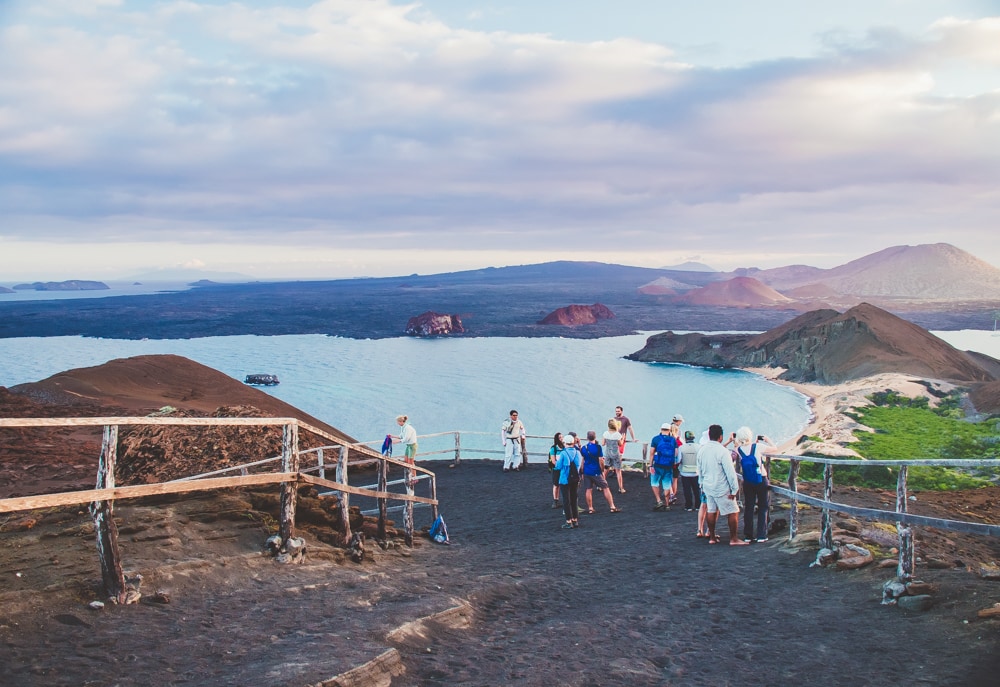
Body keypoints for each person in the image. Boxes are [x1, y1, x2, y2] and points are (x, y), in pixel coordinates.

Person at [697, 424, 748, 545]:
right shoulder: (723, 451)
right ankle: (734, 538)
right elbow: (730, 472)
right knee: (733, 511)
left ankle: (712, 537)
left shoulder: (702, 450)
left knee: (711, 510)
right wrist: (734, 489)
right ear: (720, 437)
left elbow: (699, 470)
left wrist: (701, 485)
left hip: (707, 486)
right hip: (721, 486)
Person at [734, 427, 776, 543]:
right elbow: (775, 449)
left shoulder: (739, 449)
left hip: (747, 481)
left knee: (749, 507)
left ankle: (748, 535)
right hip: (761, 479)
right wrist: (767, 440)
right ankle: (761, 535)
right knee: (763, 507)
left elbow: (737, 449)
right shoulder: (757, 447)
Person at [580, 430, 621, 514]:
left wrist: (582, 471)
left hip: (587, 471)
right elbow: (601, 460)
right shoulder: (598, 447)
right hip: (596, 472)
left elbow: (582, 460)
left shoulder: (583, 448)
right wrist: (602, 470)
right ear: (595, 437)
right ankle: (612, 506)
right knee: (605, 487)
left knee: (588, 489)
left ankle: (590, 508)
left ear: (587, 438)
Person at [554, 432, 584, 529]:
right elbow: (579, 465)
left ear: (565, 443)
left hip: (564, 479)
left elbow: (558, 466)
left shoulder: (563, 453)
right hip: (575, 479)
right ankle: (575, 520)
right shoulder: (578, 453)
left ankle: (568, 521)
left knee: (566, 501)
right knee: (574, 499)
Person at [649, 422, 678, 511]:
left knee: (654, 483)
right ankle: (667, 504)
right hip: (668, 466)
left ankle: (659, 500)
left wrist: (650, 465)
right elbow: (676, 453)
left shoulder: (656, 439)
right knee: (667, 484)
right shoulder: (673, 440)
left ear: (661, 429)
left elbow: (651, 453)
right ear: (669, 430)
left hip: (657, 465)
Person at [677, 429, 701, 512]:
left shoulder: (681, 448)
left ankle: (688, 506)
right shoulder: (699, 447)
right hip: (696, 472)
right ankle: (698, 506)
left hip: (685, 472)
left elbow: (679, 459)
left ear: (685, 438)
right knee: (697, 490)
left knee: (687, 490)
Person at [392, 415, 418, 488]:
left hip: (412, 446)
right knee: (406, 460)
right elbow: (401, 436)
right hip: (408, 446)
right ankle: (410, 474)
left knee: (411, 462)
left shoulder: (408, 428)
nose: (397, 423)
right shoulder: (403, 427)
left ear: (401, 421)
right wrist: (393, 436)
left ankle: (414, 477)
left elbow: (406, 438)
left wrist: (397, 441)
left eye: (397, 422)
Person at [602, 418, 626, 493]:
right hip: (616, 454)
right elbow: (620, 444)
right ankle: (621, 488)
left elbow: (603, 443)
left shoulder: (605, 433)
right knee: (618, 471)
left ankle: (601, 486)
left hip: (608, 453)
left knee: (605, 470)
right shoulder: (617, 434)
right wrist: (623, 438)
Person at [668, 414, 685, 504]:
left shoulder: (667, 435)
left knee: (667, 477)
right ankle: (673, 495)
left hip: (667, 459)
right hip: (676, 462)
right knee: (675, 478)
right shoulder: (679, 439)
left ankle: (671, 494)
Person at [547, 433, 565, 508]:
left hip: (563, 469)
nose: (562, 439)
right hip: (557, 469)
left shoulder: (565, 447)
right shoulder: (553, 449)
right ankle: (555, 501)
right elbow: (553, 461)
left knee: (563, 485)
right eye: (560, 437)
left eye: (562, 437)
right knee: (556, 485)